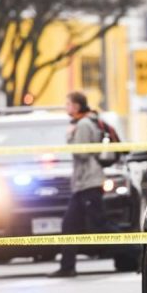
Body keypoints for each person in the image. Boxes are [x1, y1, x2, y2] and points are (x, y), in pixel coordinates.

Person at [48, 91, 107, 277]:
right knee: (69, 225)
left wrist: (70, 137)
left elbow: (81, 153)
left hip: (89, 182)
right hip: (83, 184)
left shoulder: (82, 124)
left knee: (100, 226)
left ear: (76, 106)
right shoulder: (86, 122)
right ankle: (67, 266)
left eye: (68, 104)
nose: (66, 107)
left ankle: (137, 252)